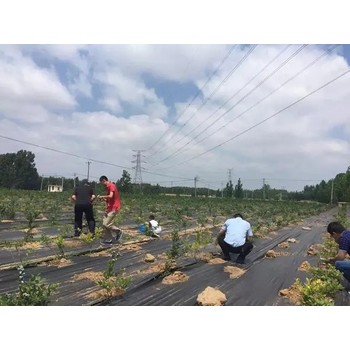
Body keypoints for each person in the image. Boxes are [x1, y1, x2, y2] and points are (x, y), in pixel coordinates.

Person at [97, 175, 122, 246]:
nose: (102, 185)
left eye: (102, 183)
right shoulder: (108, 187)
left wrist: (102, 196)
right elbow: (110, 198)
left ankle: (118, 231)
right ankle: (109, 239)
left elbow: (110, 196)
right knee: (104, 223)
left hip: (114, 207)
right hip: (109, 208)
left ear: (104, 181)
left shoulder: (111, 186)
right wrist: (103, 199)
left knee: (106, 223)